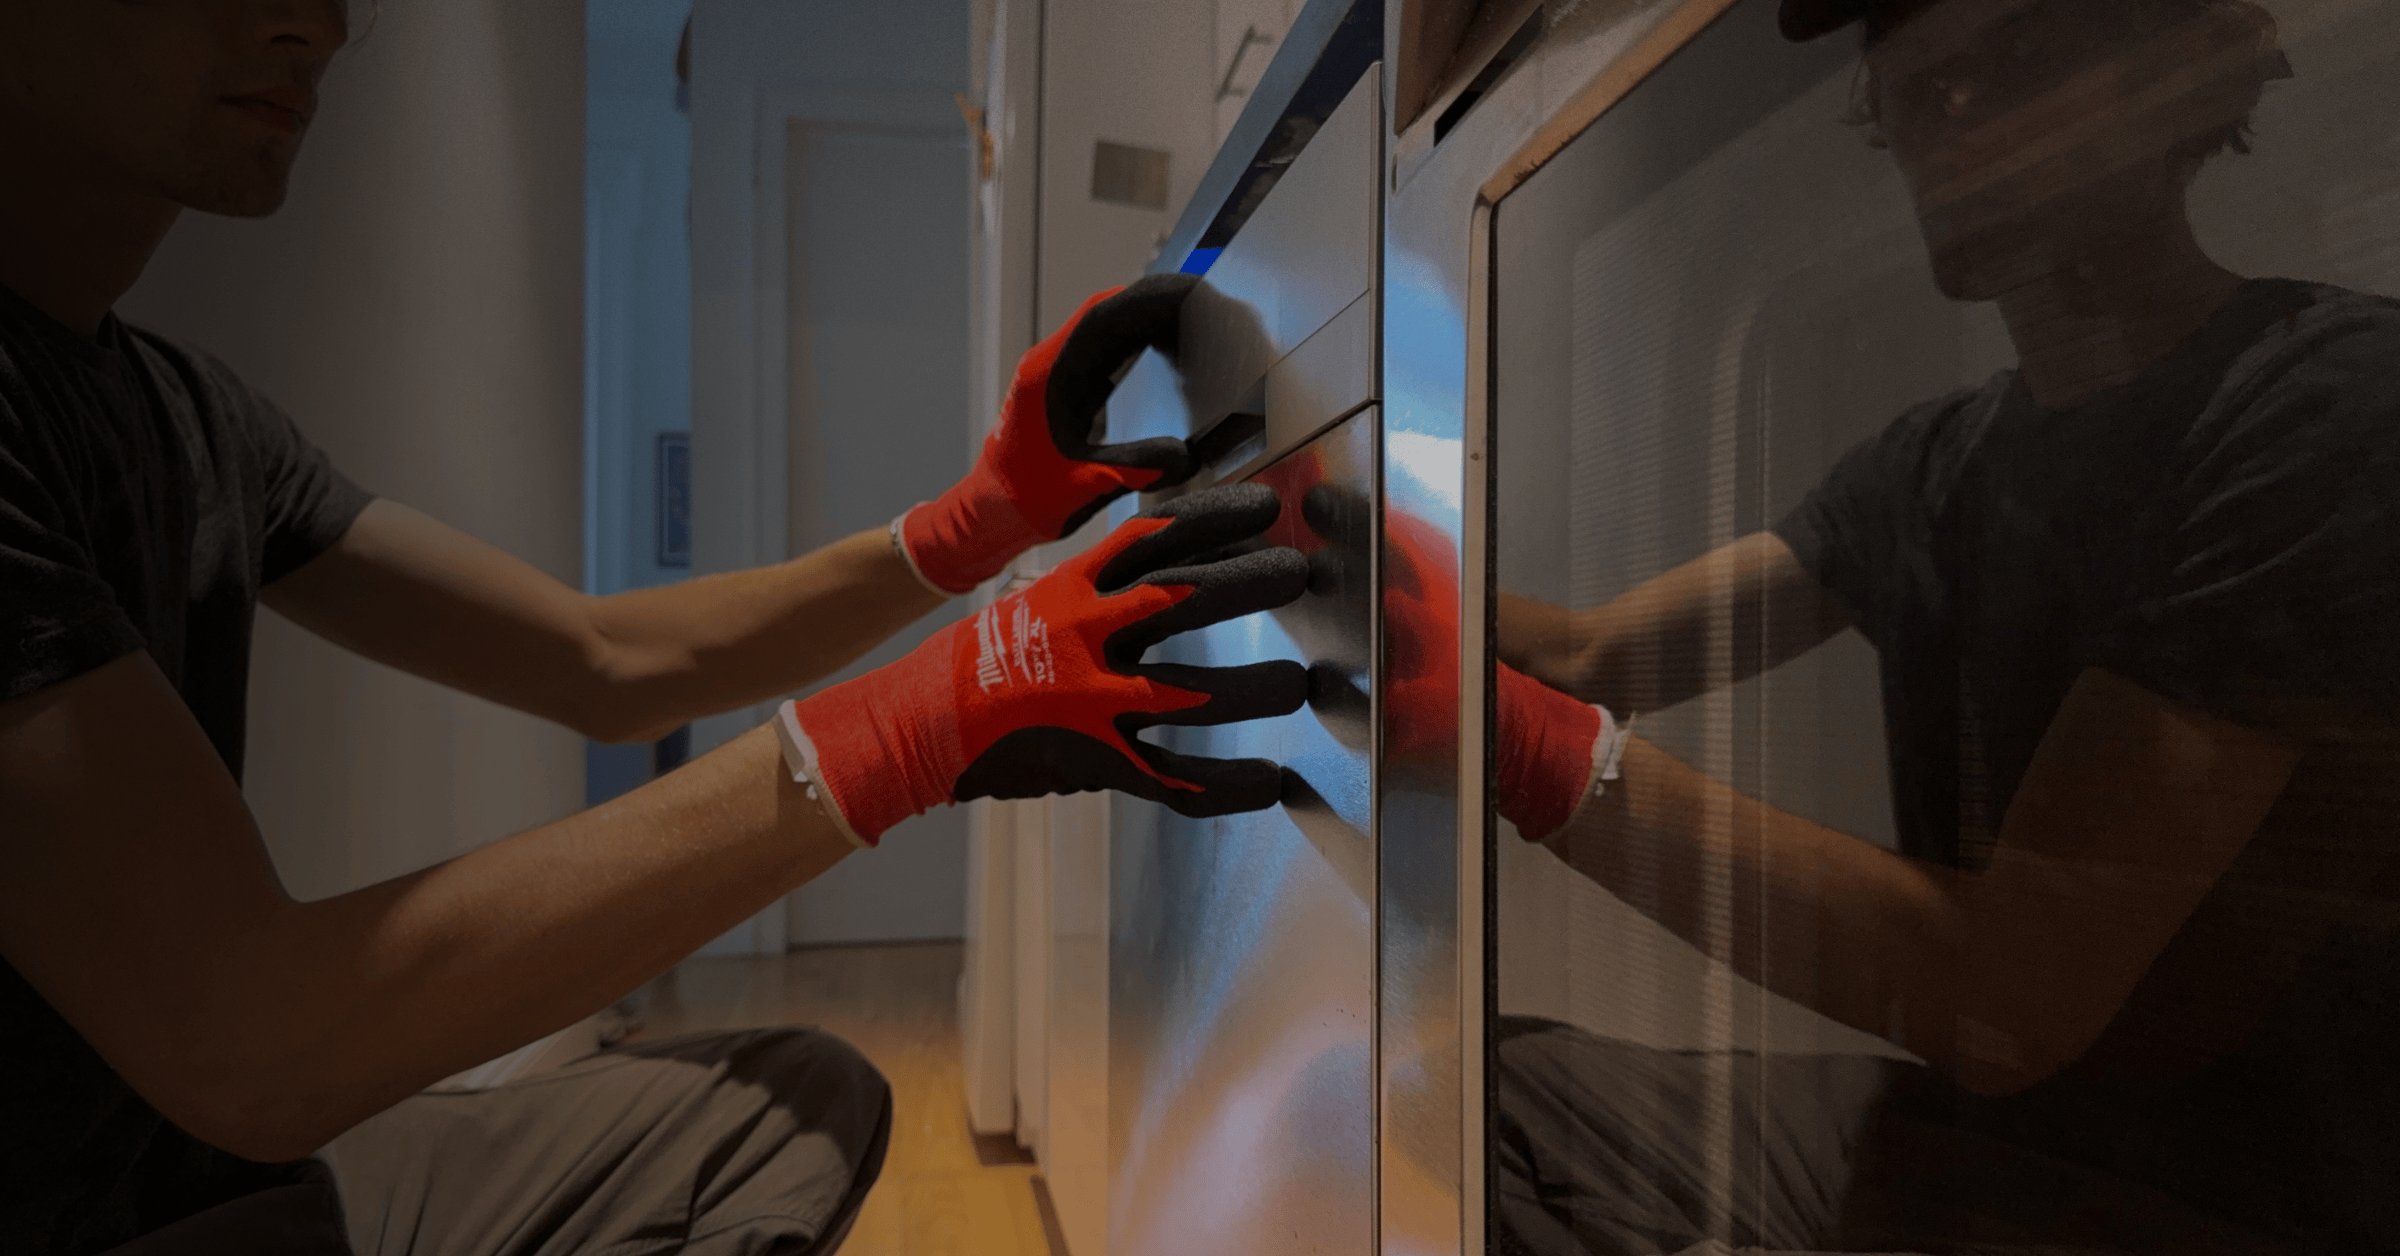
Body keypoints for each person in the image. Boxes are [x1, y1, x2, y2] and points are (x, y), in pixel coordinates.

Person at [0, 2, 1307, 1253]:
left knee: (782, 1116)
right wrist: (918, 724)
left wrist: (967, 528)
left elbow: (608, 664)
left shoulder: (186, 409)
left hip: (205, 1185)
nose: (317, 23)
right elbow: (255, 1043)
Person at [1473, 0, 2400, 1251]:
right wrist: (1335, 544)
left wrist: (1528, 748)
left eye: (2018, 55)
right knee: (1473, 1090)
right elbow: (1592, 657)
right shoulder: (1933, 464)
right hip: (1967, 1148)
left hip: (2216, 1201)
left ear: (2184, 73)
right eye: (1915, 85)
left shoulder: (2326, 404)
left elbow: (2015, 985)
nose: (1948, 116)